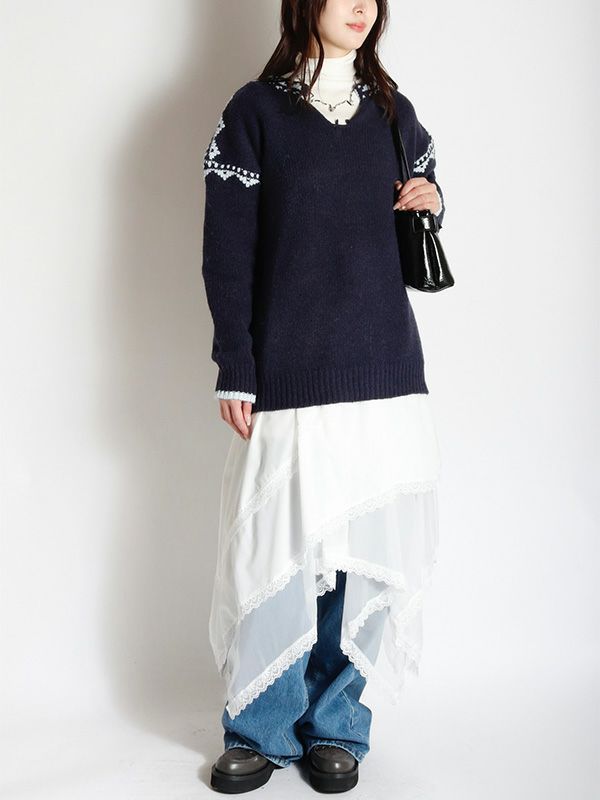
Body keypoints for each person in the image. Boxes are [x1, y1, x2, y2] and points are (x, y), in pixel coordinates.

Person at [201, 0, 446, 793]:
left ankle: (337, 725)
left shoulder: (395, 115)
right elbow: (227, 251)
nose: (360, 6)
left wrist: (430, 203)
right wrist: (235, 361)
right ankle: (260, 726)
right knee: (283, 550)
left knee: (358, 559)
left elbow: (408, 247)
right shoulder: (254, 113)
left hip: (382, 367)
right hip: (290, 368)